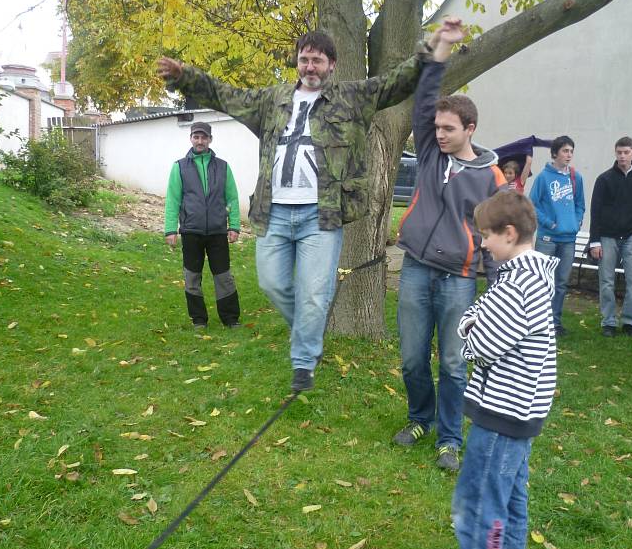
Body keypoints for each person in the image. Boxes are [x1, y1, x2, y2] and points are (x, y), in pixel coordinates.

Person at [157, 29, 433, 392]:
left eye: (318, 60)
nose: (310, 66)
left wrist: (428, 53)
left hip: (321, 215)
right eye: (305, 59)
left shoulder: (351, 97)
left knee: (315, 292)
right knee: (272, 283)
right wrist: (184, 76)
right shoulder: (272, 100)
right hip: (274, 211)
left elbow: (393, 85)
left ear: (331, 64)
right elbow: (227, 96)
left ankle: (304, 360)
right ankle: (308, 330)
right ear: (298, 61)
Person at [393, 19, 506, 471]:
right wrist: (440, 49)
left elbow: (499, 240)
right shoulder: (429, 153)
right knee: (412, 357)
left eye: (448, 129)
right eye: (437, 127)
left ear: (470, 129)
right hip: (417, 266)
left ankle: (448, 440)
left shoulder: (493, 179)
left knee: (455, 363)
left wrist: (497, 291)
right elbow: (423, 102)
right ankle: (419, 418)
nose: (439, 134)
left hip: (459, 277)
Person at [448, 190, 557, 549]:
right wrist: (472, 321)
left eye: (487, 235)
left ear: (509, 233)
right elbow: (477, 315)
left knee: (479, 503)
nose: (482, 242)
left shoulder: (515, 286)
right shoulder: (530, 278)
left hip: (501, 414)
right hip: (519, 412)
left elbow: (480, 346)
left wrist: (466, 332)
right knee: (509, 499)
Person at [164, 121, 241, 329]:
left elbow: (232, 198)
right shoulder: (179, 167)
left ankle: (230, 318)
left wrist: (234, 226)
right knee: (192, 277)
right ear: (191, 138)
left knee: (223, 276)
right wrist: (170, 229)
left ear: (210, 140)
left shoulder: (223, 166)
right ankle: (199, 319)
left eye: (204, 137)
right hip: (191, 231)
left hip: (217, 231)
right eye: (196, 137)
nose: (200, 141)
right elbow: (173, 200)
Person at [589, 136, 632, 339]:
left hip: (631, 238)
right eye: (619, 152)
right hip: (607, 237)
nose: (623, 156)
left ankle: (630, 323)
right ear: (615, 153)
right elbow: (595, 212)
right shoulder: (604, 179)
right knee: (606, 281)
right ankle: (608, 322)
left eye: (626, 152)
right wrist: (595, 241)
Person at [528, 135, 585, 337]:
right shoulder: (543, 178)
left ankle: (555, 322)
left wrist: (576, 222)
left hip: (568, 239)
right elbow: (532, 204)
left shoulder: (575, 177)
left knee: (561, 283)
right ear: (555, 153)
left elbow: (580, 204)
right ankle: (537, 322)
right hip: (548, 239)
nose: (568, 155)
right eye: (565, 151)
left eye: (571, 151)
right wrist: (550, 223)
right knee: (543, 281)